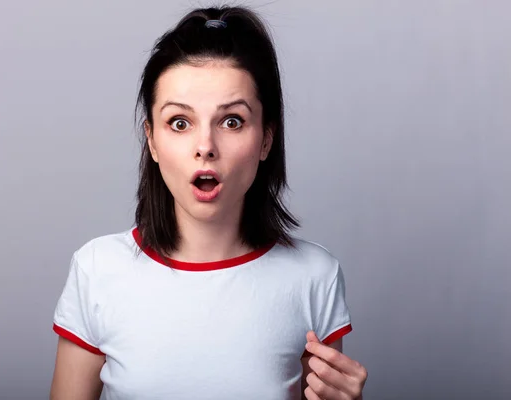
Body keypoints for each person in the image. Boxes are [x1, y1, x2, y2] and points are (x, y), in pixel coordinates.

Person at [50, 5, 367, 400]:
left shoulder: (314, 277)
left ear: (266, 139)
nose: (205, 147)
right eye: (180, 123)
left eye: (231, 121)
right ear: (151, 139)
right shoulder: (97, 270)